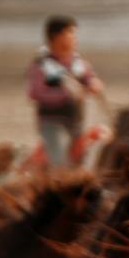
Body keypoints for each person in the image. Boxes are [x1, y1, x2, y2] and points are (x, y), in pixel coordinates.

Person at [26, 15, 105, 169]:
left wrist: (94, 85)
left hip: (78, 123)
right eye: (71, 33)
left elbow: (91, 79)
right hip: (52, 123)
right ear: (57, 36)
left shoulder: (78, 63)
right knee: (60, 163)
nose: (75, 38)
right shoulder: (41, 66)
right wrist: (66, 95)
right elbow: (34, 94)